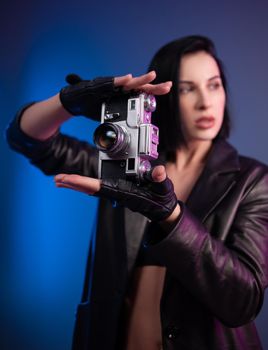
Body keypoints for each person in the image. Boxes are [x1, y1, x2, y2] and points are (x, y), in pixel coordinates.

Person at [6, 35, 268, 350]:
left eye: (214, 85)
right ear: (167, 96)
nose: (205, 101)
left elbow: (244, 300)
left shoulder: (253, 180)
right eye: (187, 88)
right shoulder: (123, 166)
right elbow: (28, 139)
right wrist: (68, 102)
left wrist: (171, 216)